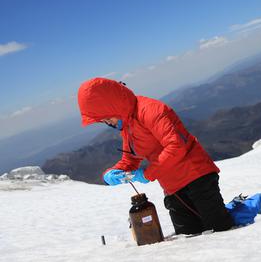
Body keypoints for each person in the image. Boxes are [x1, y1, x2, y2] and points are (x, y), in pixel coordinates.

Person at [77, 77, 234, 236]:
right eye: (103, 121)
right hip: (172, 188)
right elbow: (130, 159)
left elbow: (176, 146)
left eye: (107, 118)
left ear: (115, 105)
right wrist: (110, 175)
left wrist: (147, 174)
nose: (108, 123)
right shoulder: (128, 124)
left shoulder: (151, 110)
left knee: (221, 232)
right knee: (189, 238)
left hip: (197, 177)